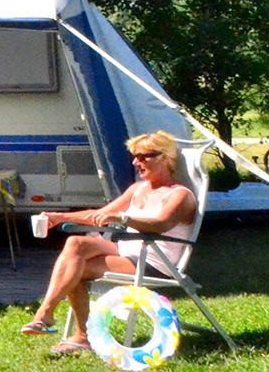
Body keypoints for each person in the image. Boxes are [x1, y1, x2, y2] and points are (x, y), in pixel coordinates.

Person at [19, 131, 197, 355]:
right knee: (75, 244)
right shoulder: (138, 189)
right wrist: (60, 217)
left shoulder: (180, 195)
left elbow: (160, 224)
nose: (136, 162)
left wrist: (123, 218)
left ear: (164, 158)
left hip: (153, 262)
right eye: (135, 157)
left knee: (75, 268)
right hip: (126, 250)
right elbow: (100, 214)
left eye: (142, 157)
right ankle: (46, 314)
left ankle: (79, 334)